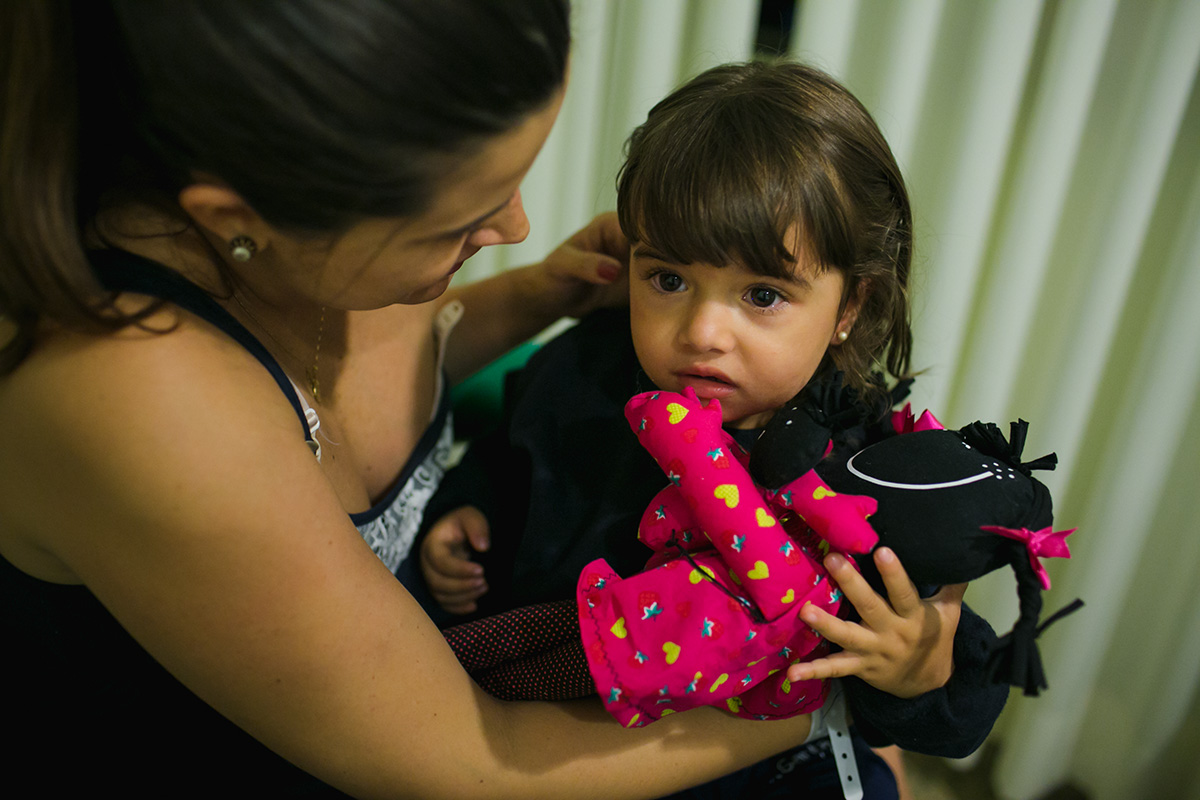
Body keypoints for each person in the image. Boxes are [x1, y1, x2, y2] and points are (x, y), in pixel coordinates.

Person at [0, 4, 837, 797]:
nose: (516, 227)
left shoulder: (294, 247)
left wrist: (541, 294)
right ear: (239, 218)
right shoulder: (135, 400)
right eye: (458, 220)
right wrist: (832, 702)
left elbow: (386, 362)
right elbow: (471, 762)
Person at [418, 62, 1009, 798]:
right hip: (547, 737)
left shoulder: (873, 465)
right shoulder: (581, 369)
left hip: (747, 761)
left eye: (762, 295)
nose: (701, 332)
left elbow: (957, 706)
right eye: (668, 280)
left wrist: (915, 672)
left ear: (851, 307)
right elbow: (506, 458)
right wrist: (467, 510)